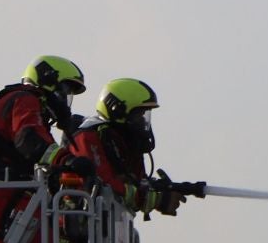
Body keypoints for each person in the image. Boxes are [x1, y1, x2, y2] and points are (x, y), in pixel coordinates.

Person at [0, 55, 85, 243]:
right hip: (5, 199)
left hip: (10, 199)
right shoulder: (26, 99)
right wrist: (65, 160)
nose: (65, 101)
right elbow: (28, 139)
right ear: (49, 81)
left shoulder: (30, 103)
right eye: (64, 91)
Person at [56, 78, 194, 218]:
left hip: (104, 227)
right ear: (117, 110)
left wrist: (167, 188)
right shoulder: (88, 137)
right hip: (73, 225)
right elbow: (103, 185)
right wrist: (155, 200)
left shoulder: (124, 142)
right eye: (138, 115)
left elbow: (135, 182)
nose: (143, 122)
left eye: (145, 115)